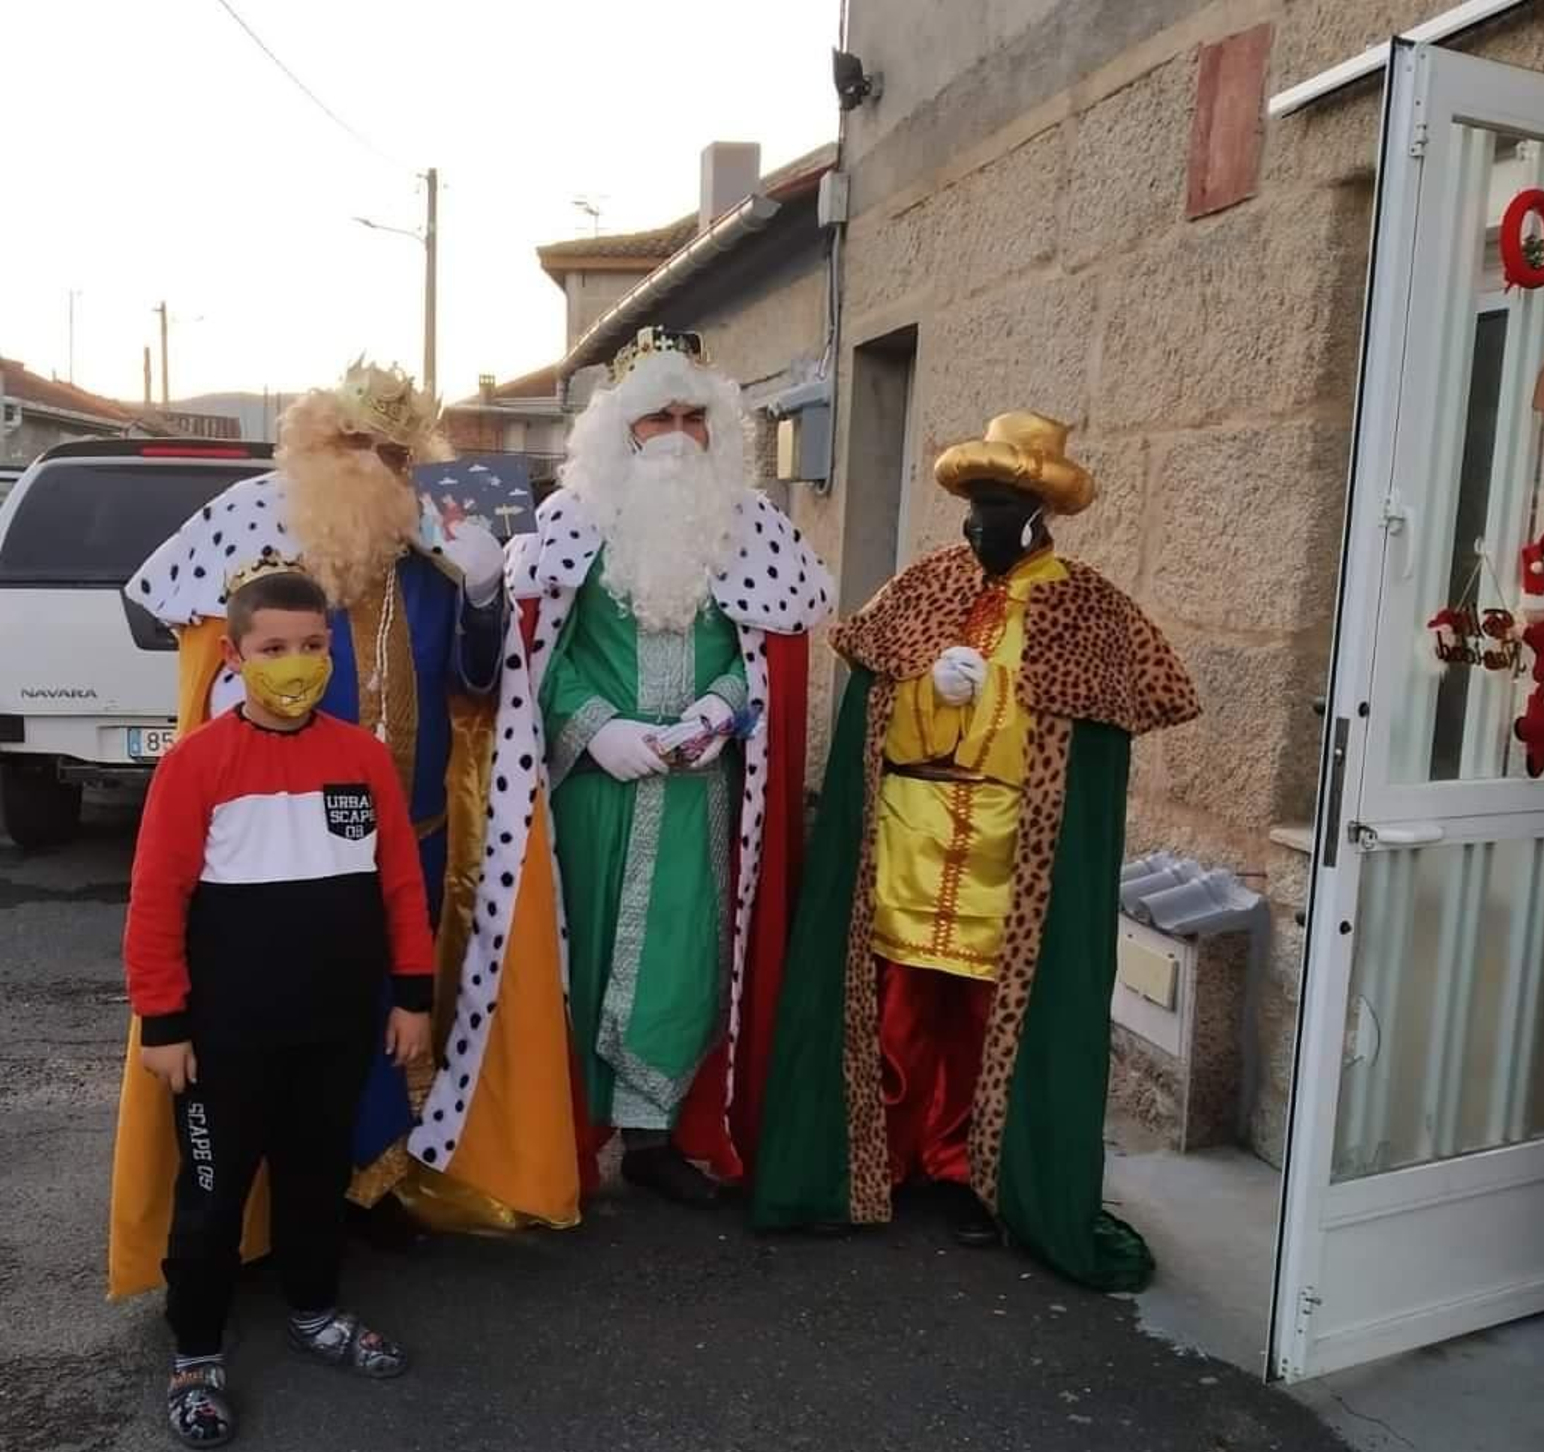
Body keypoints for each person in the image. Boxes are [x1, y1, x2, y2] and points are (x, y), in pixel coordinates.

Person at [109, 359, 572, 1304]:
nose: (376, 467)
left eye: (396, 453)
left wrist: (487, 596)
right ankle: (257, 1218)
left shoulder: (437, 568)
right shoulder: (266, 559)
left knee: (389, 1027)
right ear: (318, 450)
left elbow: (481, 691)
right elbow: (160, 614)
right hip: (273, 869)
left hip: (418, 840)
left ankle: (374, 1189)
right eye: (356, 445)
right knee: (263, 1034)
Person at [751, 411, 1200, 1290]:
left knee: (996, 1020)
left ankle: (984, 1177)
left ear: (1038, 513)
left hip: (1013, 856)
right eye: (974, 503)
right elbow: (873, 713)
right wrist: (921, 678)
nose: (980, 521)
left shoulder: (1089, 609)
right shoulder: (920, 588)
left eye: (1000, 504)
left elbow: (1110, 732)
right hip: (910, 842)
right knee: (898, 1009)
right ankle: (879, 1161)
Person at [410, 327, 833, 1210]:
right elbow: (536, 660)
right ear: (619, 432)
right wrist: (596, 729)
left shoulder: (749, 529)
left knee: (686, 964)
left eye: (693, 416)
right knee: (583, 960)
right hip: (593, 793)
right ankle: (570, 1135)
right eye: (655, 419)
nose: (675, 435)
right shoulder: (568, 524)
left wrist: (722, 711)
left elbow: (766, 653)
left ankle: (657, 1137)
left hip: (699, 798)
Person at [126, 566, 433, 1448]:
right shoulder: (195, 765)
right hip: (223, 1041)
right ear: (236, 656)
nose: (295, 664)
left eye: (312, 647)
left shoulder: (362, 756)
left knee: (312, 1183)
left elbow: (400, 887)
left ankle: (314, 1312)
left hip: (334, 1030)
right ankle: (194, 1352)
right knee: (214, 1199)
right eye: (274, 650)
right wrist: (166, 1021)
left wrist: (412, 996)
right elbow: (156, 902)